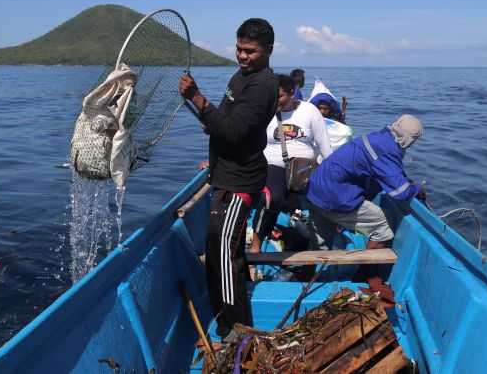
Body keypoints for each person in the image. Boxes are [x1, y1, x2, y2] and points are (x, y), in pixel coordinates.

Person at [178, 18, 279, 340]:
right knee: (216, 244)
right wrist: (206, 114)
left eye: (250, 51)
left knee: (225, 251)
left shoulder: (263, 85)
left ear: (268, 51)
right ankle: (224, 318)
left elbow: (234, 132)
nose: (242, 56)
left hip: (240, 181)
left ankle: (237, 330)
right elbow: (224, 122)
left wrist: (197, 98)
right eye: (238, 49)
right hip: (223, 174)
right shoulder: (241, 78)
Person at [306, 115, 425, 301]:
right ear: (409, 140)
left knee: (321, 245)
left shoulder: (378, 137)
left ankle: (309, 280)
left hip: (315, 191)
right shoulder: (388, 150)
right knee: (382, 228)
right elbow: (401, 193)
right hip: (334, 197)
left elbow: (380, 173)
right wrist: (417, 188)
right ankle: (369, 277)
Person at [251, 74, 332, 262]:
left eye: (279, 96)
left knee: (326, 197)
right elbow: (248, 141)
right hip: (274, 164)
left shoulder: (310, 111)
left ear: (292, 93)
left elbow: (324, 146)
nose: (273, 100)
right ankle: (255, 247)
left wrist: (335, 174)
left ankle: (321, 246)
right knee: (272, 198)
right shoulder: (264, 111)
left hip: (304, 167)